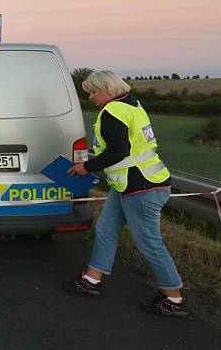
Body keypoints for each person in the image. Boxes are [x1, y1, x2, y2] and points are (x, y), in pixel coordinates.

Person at [65, 70, 187, 317]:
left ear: (107, 89)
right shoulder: (133, 105)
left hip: (141, 188)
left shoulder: (112, 111)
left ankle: (173, 297)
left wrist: (85, 166)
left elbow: (118, 151)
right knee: (106, 228)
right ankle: (92, 278)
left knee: (149, 242)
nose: (90, 97)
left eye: (93, 91)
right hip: (129, 185)